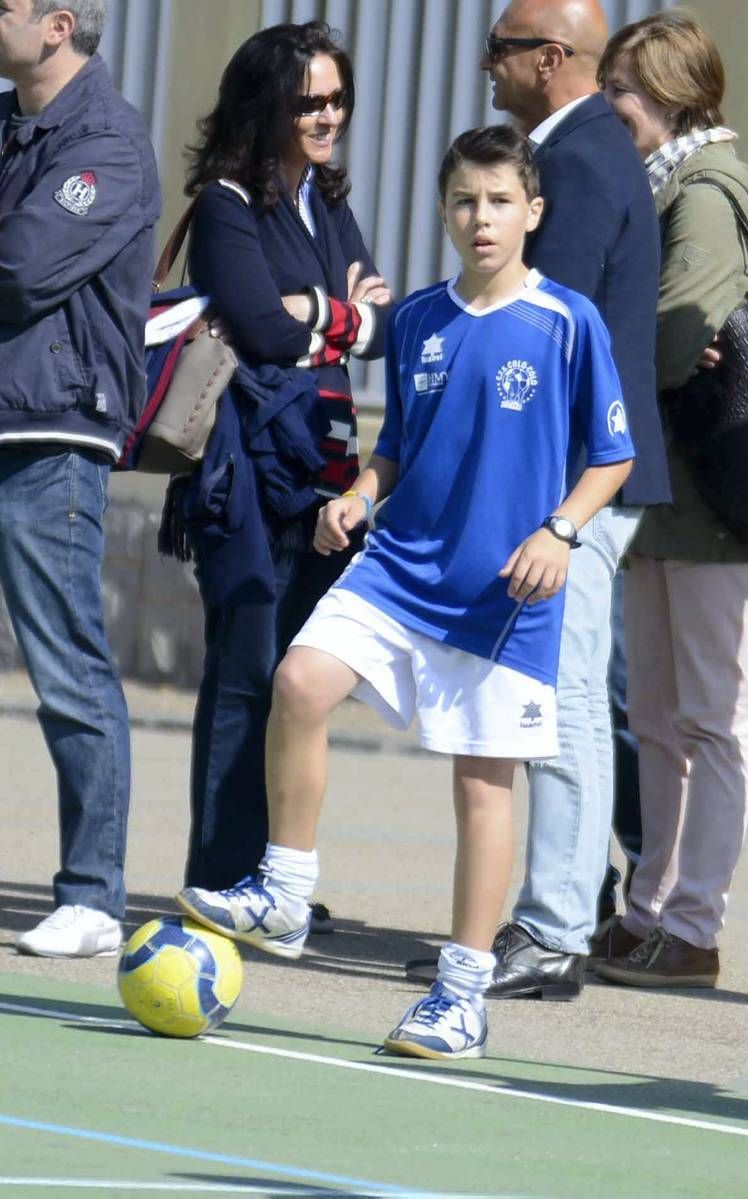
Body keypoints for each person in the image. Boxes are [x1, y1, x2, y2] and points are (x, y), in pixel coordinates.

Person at [176, 124, 635, 1060]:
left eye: (501, 201)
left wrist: (560, 531)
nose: (482, 218)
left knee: (481, 785)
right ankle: (286, 889)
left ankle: (461, 996)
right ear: (443, 209)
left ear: (532, 212)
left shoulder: (567, 321)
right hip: (399, 568)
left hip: (504, 589)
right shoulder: (421, 319)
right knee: (299, 681)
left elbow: (613, 455)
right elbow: (397, 449)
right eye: (466, 200)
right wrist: (358, 494)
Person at [403, 0, 668, 1001]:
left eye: (501, 48)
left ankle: (554, 928)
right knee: (551, 695)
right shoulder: (582, 151)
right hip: (566, 485)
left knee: (555, 702)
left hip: (577, 487)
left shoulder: (583, 162)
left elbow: (543, 335)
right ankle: (549, 914)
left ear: (549, 58)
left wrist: (549, 510)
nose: (485, 63)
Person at [179, 22, 390, 899]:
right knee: (246, 670)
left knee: (302, 677)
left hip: (327, 473)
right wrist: (331, 315)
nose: (327, 114)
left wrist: (318, 313)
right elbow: (259, 331)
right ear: (265, 105)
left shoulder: (326, 201)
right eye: (309, 101)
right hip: (248, 471)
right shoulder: (227, 203)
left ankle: (276, 871)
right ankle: (224, 870)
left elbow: (382, 322)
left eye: (336, 98)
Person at [592, 11, 748, 987]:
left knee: (706, 712)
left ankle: (692, 922)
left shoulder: (703, 193)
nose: (605, 104)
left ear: (666, 93)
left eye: (618, 89)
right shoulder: (668, 184)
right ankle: (647, 908)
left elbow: (675, 337)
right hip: (668, 491)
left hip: (710, 496)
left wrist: (619, 343)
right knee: (658, 713)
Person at [0, 0, 160, 956]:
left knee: (67, 663)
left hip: (50, 428)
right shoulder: (13, 122)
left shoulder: (106, 140)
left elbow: (20, 267)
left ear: (58, 25)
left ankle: (94, 894)